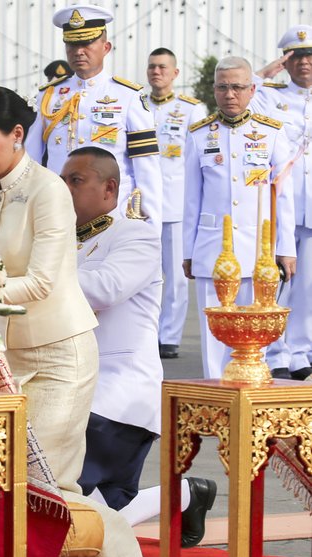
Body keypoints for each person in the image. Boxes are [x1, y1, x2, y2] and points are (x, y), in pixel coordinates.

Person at [0, 85, 141, 557]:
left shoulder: (48, 190)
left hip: (62, 351)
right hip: (2, 352)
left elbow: (41, 281)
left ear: (17, 135)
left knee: (46, 479)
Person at [63, 147, 216, 548]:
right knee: (100, 503)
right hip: (77, 384)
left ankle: (180, 498)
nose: (65, 189)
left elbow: (105, 289)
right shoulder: (64, 240)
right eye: (62, 180)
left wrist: (39, 275)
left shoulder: (137, 233)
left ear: (109, 188)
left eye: (75, 181)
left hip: (117, 392)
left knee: (66, 481)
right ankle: (184, 496)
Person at [183, 56, 297, 380]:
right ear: (214, 90)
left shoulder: (271, 133)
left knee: (255, 336)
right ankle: (218, 403)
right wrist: (188, 253)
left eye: (237, 87)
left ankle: (249, 409)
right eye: (222, 87)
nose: (229, 94)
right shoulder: (199, 134)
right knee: (214, 335)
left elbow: (283, 197)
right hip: (211, 249)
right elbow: (191, 199)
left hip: (259, 251)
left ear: (251, 90)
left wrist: (285, 248)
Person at [25, 4, 163, 230]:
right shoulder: (48, 96)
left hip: (111, 216)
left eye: (86, 43)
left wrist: (152, 228)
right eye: (72, 44)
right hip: (58, 213)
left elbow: (147, 167)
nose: (79, 51)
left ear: (106, 47)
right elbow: (30, 161)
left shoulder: (127, 96)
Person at [251, 26, 312, 380]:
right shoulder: (273, 96)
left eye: (309, 57)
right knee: (273, 282)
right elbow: (244, 96)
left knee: (305, 287)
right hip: (281, 207)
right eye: (297, 57)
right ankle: (275, 352)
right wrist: (265, 73)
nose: (305, 63)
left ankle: (301, 351)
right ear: (286, 62)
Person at [144, 48, 208, 360]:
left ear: (175, 73)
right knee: (144, 273)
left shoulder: (191, 110)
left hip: (175, 203)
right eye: (152, 67)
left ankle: (169, 336)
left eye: (163, 67)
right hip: (142, 205)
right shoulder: (138, 105)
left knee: (176, 276)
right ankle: (145, 332)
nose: (156, 72)